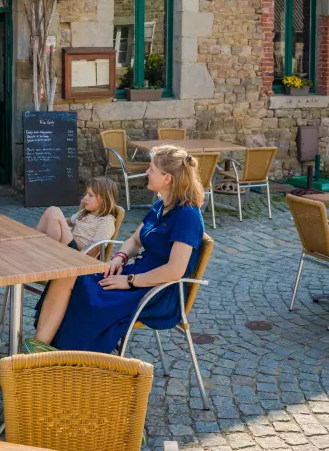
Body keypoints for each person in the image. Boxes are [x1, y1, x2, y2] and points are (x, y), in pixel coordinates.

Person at [30, 144, 205, 354]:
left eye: (152, 169)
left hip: (157, 292)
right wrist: (120, 257)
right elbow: (135, 239)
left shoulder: (187, 216)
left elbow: (174, 270)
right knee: (69, 273)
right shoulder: (161, 206)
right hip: (135, 276)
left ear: (167, 178)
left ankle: (48, 355)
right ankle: (38, 351)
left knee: (85, 292)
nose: (146, 172)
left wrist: (129, 281)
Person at [36, 177, 118, 252]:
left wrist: (71, 234)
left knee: (54, 211)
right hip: (70, 243)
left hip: (77, 253)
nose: (85, 198)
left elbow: (94, 250)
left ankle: (48, 250)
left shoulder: (106, 221)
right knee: (50, 212)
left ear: (103, 199)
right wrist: (55, 222)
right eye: (86, 194)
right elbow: (68, 221)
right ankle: (35, 242)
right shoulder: (86, 213)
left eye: (90, 195)